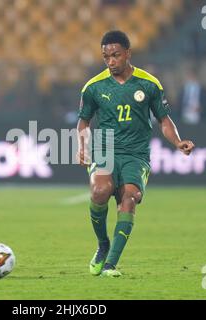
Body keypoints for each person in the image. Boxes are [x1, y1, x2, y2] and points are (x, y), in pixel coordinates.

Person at [76, 30, 195, 278]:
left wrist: (177, 142)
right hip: (105, 150)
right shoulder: (93, 87)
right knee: (100, 191)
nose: (110, 61)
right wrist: (83, 146)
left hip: (136, 153)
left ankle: (110, 264)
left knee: (129, 197)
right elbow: (83, 122)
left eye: (116, 55)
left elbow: (164, 120)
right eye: (106, 57)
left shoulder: (149, 84)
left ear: (128, 54)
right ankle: (103, 245)